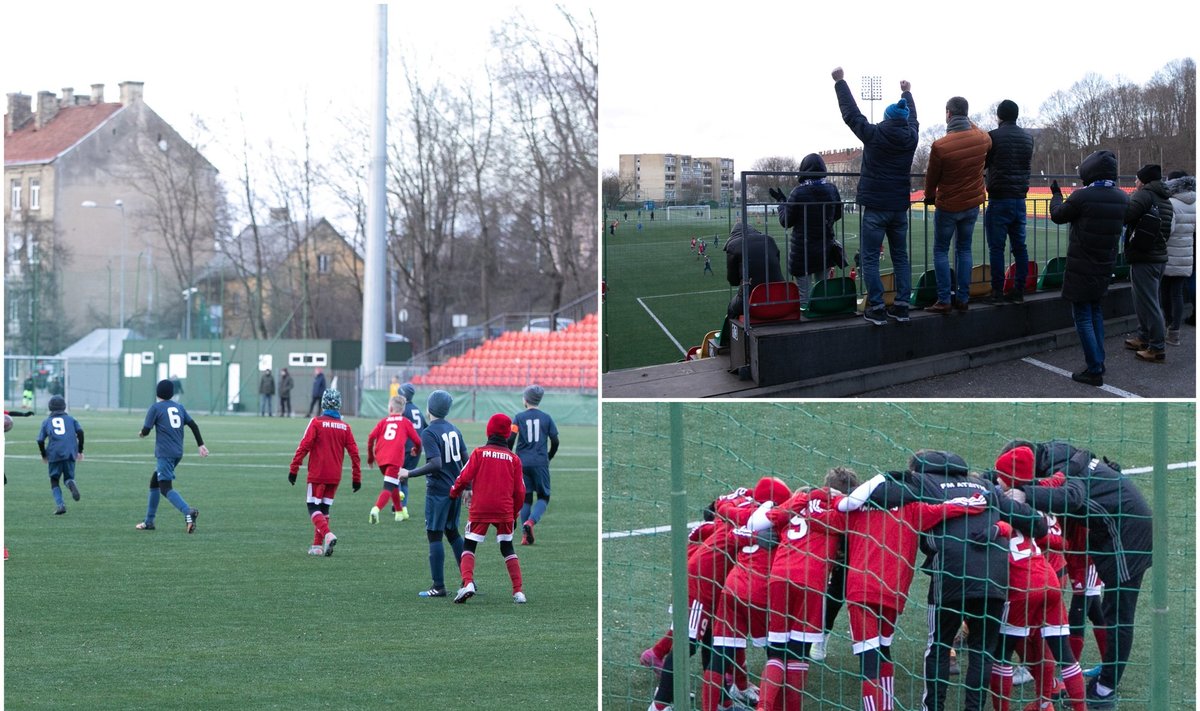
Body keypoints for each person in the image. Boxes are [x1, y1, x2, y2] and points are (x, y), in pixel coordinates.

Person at [995, 440, 1153, 709]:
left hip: (1126, 535)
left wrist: (1026, 494)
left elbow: (1073, 497)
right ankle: (1096, 678)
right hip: (1103, 540)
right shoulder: (1062, 457)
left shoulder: (1065, 470)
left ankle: (1104, 690)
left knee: (1118, 613)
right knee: (1094, 609)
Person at [833, 67, 919, 325]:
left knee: (869, 258)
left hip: (875, 207)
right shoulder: (911, 137)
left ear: (886, 118)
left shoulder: (874, 134)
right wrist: (907, 94)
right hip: (898, 207)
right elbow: (913, 119)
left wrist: (840, 83)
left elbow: (851, 115)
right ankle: (902, 306)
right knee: (901, 257)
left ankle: (878, 306)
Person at [1048, 150, 1129, 386]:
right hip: (1105, 264)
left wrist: (1056, 195)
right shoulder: (1123, 197)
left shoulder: (1082, 197)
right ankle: (1099, 362)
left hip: (1082, 265)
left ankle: (1094, 368)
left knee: (1083, 316)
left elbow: (1057, 215)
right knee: (1095, 313)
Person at [449, 413, 527, 604]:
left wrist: (453, 493)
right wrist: (514, 513)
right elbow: (520, 491)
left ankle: (467, 582)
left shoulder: (479, 453)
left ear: (488, 431)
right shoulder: (513, 459)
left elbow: (463, 477)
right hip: (504, 509)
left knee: (469, 545)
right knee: (507, 547)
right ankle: (518, 591)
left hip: (481, 508)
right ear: (508, 434)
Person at [924, 96, 991, 314]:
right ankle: (962, 298)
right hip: (972, 205)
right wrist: (967, 121)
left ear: (949, 114)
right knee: (964, 249)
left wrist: (928, 197)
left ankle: (944, 299)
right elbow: (985, 138)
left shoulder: (940, 146)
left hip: (948, 206)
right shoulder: (982, 138)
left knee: (941, 251)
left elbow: (931, 179)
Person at [398, 390, 467, 598]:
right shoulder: (454, 429)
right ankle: (468, 580)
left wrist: (409, 473)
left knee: (434, 535)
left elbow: (435, 464)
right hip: (455, 489)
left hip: (438, 492)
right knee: (453, 533)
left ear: (429, 408)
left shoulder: (429, 432)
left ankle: (438, 586)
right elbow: (467, 460)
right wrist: (468, 487)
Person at [287, 388, 361, 556]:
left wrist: (294, 469)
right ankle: (317, 546)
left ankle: (327, 535)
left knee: (312, 506)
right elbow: (354, 454)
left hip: (317, 473)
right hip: (335, 476)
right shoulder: (345, 427)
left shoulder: (316, 422)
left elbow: (303, 446)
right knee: (324, 509)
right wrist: (356, 478)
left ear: (323, 404)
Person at [136, 379, 208, 532]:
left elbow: (146, 430)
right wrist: (201, 445)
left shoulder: (155, 408)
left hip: (165, 453)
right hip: (177, 453)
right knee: (154, 482)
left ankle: (188, 511)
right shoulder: (179, 407)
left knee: (164, 487)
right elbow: (193, 425)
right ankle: (149, 522)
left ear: (157, 393)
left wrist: (142, 434)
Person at [774, 152, 845, 306]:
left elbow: (785, 221)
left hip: (802, 251)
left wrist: (781, 203)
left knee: (804, 296)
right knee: (822, 292)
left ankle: (806, 325)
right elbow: (838, 214)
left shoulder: (798, 192)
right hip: (825, 248)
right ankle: (823, 322)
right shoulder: (832, 190)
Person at [983, 99, 1035, 305]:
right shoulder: (1027, 138)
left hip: (999, 198)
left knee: (996, 248)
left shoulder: (993, 137)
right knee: (1019, 247)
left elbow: (985, 163)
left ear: (999, 116)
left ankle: (997, 292)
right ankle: (1018, 290)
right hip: (1019, 199)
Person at [1122, 164, 1175, 362]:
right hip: (1158, 257)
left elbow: (1126, 215)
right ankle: (1143, 337)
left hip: (1145, 257)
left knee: (1150, 303)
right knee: (1143, 299)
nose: (1135, 182)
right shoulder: (1165, 198)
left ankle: (1157, 348)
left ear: (1143, 181)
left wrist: (1126, 200)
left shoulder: (1144, 195)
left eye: (1137, 179)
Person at [719, 222, 784, 347]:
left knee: (731, 308)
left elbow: (732, 281)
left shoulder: (733, 246)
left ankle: (730, 345)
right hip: (780, 296)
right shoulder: (770, 240)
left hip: (752, 299)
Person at [511, 384, 559, 545]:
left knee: (526, 499)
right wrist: (548, 457)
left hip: (522, 463)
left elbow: (510, 439)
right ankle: (530, 523)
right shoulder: (547, 418)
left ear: (526, 399)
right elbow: (555, 441)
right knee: (544, 496)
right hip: (540, 462)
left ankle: (525, 537)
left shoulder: (518, 418)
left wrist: (511, 458)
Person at [366, 395, 422, 524]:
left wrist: (370, 457)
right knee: (388, 487)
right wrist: (416, 450)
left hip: (381, 458)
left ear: (390, 408)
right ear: (402, 410)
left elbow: (371, 437)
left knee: (393, 484)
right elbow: (418, 441)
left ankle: (399, 513)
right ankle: (376, 509)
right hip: (394, 459)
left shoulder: (383, 421)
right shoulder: (405, 422)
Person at [1162, 171, 1195, 346]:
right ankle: (1175, 331)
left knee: (1166, 292)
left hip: (1169, 254)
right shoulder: (1195, 202)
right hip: (1187, 254)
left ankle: (1169, 325)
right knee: (1177, 293)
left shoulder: (1171, 203)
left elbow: (1167, 230)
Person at [36, 395, 84, 515]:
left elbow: (40, 440)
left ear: (50, 407)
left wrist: (43, 455)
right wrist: (80, 450)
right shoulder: (71, 419)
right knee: (68, 478)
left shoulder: (47, 421)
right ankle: (71, 484)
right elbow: (80, 432)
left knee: (54, 480)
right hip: (70, 452)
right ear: (64, 407)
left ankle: (60, 505)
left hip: (54, 453)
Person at [397, 382, 424, 521]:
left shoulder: (403, 410)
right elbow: (425, 428)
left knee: (396, 477)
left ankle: (399, 507)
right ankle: (403, 506)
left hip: (405, 448)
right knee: (405, 478)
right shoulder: (418, 410)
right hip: (417, 449)